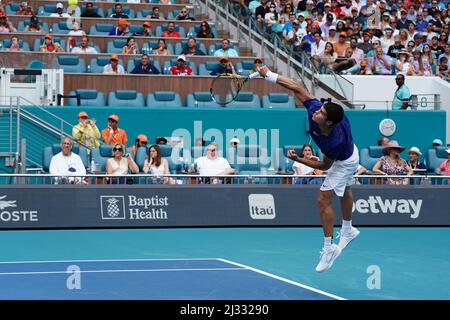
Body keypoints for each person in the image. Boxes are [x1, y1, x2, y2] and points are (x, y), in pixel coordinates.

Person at [254, 64, 360, 272]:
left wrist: (300, 159)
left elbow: (324, 165)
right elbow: (297, 87)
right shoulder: (316, 111)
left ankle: (329, 248)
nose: (316, 112)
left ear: (328, 122)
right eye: (318, 109)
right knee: (345, 190)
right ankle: (348, 230)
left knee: (323, 199)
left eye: (321, 113)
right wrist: (268, 75)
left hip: (344, 160)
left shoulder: (333, 142)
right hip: (351, 151)